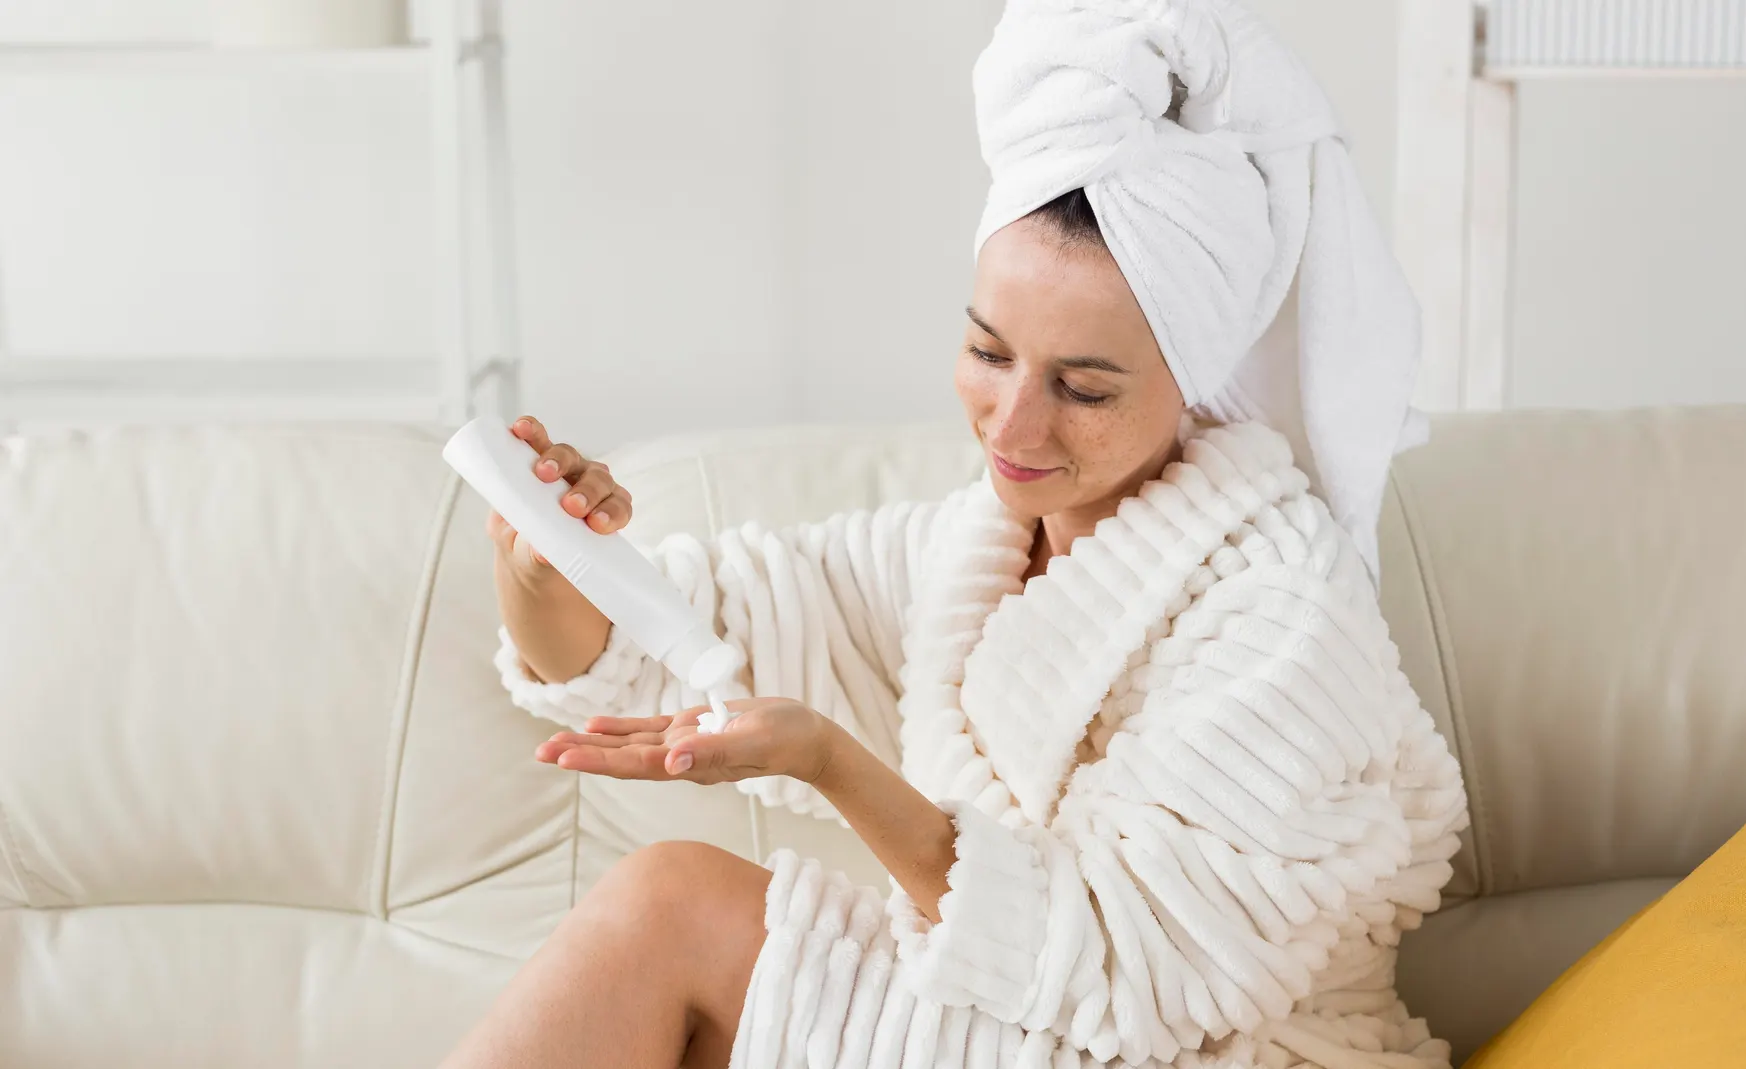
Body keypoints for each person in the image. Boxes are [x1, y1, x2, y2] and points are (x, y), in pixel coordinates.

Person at [442, 1, 1467, 1067]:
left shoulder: (1283, 612)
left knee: (669, 906)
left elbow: (1130, 971)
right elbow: (680, 646)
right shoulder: (975, 548)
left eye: (1082, 386)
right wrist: (551, 560)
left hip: (1216, 1048)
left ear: (1192, 383)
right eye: (988, 352)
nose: (1012, 425)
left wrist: (833, 763)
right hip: (1034, 1024)